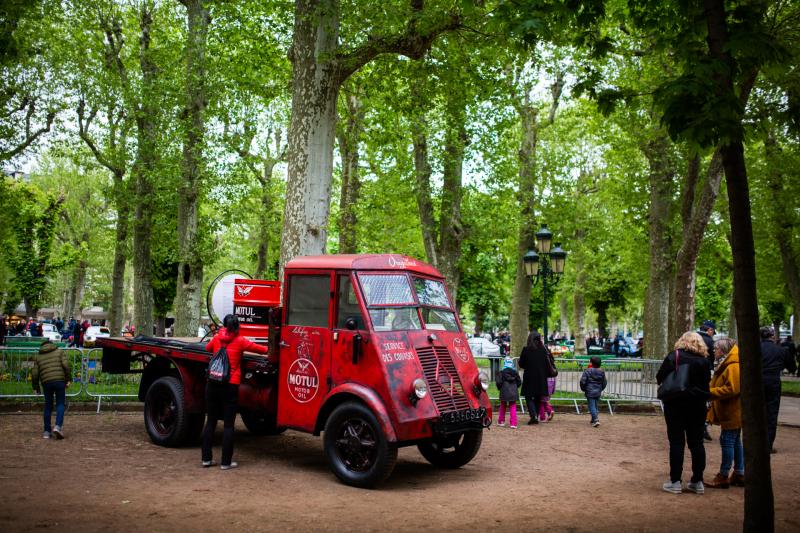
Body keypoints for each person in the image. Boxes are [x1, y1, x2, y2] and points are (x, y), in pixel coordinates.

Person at [202, 314, 268, 469]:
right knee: (229, 425)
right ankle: (225, 462)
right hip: (230, 385)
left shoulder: (217, 338)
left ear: (224, 325)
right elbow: (261, 350)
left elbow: (207, 348)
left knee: (210, 421)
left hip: (212, 383)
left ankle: (206, 459)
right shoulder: (241, 341)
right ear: (238, 326)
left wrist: (217, 338)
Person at [657, 331, 711, 495]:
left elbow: (660, 376)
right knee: (697, 443)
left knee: (676, 442)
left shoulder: (675, 356)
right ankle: (697, 481)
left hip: (675, 403)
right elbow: (707, 381)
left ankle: (675, 481)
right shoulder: (704, 361)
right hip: (698, 404)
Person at [705, 337, 744, 489]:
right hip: (732, 410)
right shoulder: (730, 364)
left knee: (727, 440)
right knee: (734, 441)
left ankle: (723, 474)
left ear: (722, 351)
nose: (714, 351)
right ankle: (739, 473)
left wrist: (710, 392)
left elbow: (733, 388)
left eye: (715, 349)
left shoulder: (733, 366)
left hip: (732, 410)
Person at [760, 326, 796, 453]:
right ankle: (768, 444)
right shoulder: (781, 350)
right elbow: (792, 368)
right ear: (772, 336)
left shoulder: (754, 349)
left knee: (755, 411)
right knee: (771, 413)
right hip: (773, 381)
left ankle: (756, 443)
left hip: (757, 382)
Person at [31, 340, 71, 439]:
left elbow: (34, 374)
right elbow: (66, 366)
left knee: (48, 405)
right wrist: (68, 379)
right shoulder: (60, 352)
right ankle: (58, 426)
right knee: (60, 403)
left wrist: (36, 387)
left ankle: (46, 432)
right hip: (59, 381)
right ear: (52, 345)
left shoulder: (38, 357)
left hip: (46, 383)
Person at [517, 330, 550, 425]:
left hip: (529, 376)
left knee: (528, 396)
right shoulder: (543, 349)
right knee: (538, 397)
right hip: (541, 376)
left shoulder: (526, 349)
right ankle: (536, 415)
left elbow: (521, 363)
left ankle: (533, 416)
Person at [697, 320, 716, 442]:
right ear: (709, 330)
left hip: (691, 373)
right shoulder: (710, 341)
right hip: (705, 373)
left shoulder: (693, 338)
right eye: (713, 332)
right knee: (705, 400)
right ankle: (702, 427)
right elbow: (712, 358)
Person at [580, 356, 607, 427]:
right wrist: (601, 389)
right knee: (595, 406)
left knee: (591, 406)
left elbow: (583, 381)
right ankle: (593, 419)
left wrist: (583, 389)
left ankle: (596, 420)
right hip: (598, 391)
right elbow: (604, 382)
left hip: (589, 391)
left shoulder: (587, 371)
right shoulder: (602, 371)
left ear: (591, 363)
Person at [495, 357, 521, 428]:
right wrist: (515, 387)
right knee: (513, 406)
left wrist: (499, 388)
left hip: (504, 391)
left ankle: (501, 421)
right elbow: (519, 382)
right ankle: (513, 423)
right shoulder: (515, 373)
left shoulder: (501, 372)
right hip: (513, 391)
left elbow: (499, 382)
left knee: (503, 405)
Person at [539, 352, 557, 422]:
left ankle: (543, 416)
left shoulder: (543, 365)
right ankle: (549, 412)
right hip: (551, 384)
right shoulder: (552, 366)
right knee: (545, 400)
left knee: (541, 401)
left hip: (544, 384)